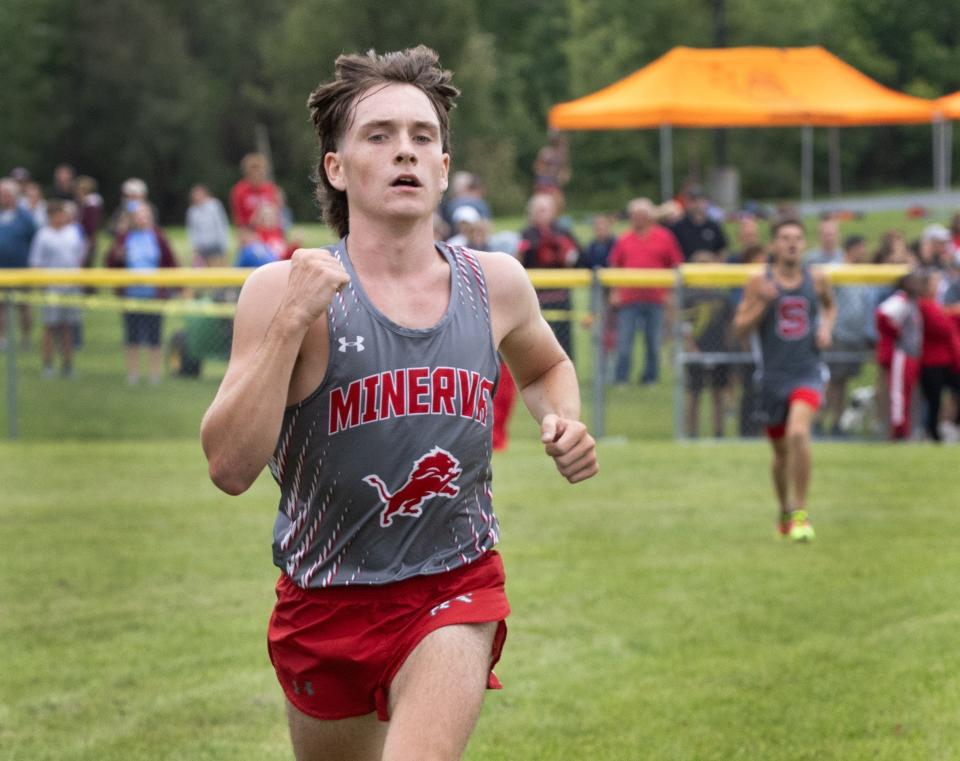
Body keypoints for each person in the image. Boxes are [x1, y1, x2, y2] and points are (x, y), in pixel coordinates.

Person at [199, 46, 598, 761]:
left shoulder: (497, 283)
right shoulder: (281, 292)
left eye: (422, 137)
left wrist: (560, 417)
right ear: (336, 167)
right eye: (378, 135)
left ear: (444, 167)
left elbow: (545, 365)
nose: (404, 151)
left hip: (454, 579)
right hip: (324, 596)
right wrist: (291, 322)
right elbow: (229, 465)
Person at [734, 218, 836, 542]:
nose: (791, 243)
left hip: (807, 372)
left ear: (804, 244)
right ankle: (783, 510)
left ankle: (801, 512)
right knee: (780, 455)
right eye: (784, 238)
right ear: (774, 245)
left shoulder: (817, 279)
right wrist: (762, 302)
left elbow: (830, 308)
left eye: (796, 238)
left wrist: (825, 329)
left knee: (798, 433)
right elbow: (739, 328)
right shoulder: (758, 282)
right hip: (772, 378)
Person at [608, 197, 683, 385]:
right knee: (624, 342)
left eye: (641, 215)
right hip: (628, 298)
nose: (637, 219)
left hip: (656, 298)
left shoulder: (664, 237)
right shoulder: (624, 238)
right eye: (634, 215)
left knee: (653, 342)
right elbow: (614, 266)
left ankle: (650, 378)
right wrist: (615, 291)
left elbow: (675, 265)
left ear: (649, 217)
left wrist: (670, 293)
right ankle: (621, 378)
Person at [106, 202, 178, 385]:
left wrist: (175, 287)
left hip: (154, 294)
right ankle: (133, 373)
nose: (142, 218)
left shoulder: (158, 237)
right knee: (132, 336)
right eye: (138, 215)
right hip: (131, 294)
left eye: (145, 214)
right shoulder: (124, 237)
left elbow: (171, 262)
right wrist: (117, 256)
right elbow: (110, 262)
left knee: (155, 336)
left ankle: (154, 374)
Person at [819, 234, 877, 437]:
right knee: (834, 380)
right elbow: (825, 302)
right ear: (852, 248)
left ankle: (836, 422)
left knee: (842, 382)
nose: (864, 252)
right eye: (861, 248)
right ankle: (822, 421)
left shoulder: (861, 271)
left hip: (856, 336)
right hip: (839, 334)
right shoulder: (835, 269)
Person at [517, 192, 580, 359]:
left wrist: (567, 253)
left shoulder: (563, 232)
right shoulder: (527, 234)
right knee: (534, 339)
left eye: (544, 210)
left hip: (560, 294)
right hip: (536, 296)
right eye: (537, 210)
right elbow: (521, 261)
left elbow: (580, 258)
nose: (540, 214)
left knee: (563, 338)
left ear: (553, 211)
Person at [28, 200, 85, 377]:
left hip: (71, 287)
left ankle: (67, 365)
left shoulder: (73, 233)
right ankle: (48, 364)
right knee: (50, 327)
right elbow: (35, 263)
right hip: (51, 288)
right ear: (51, 216)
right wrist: (42, 285)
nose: (62, 217)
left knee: (68, 327)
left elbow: (79, 257)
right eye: (59, 214)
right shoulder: (43, 235)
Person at [682, 250, 734, 437]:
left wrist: (728, 348)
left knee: (718, 393)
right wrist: (691, 347)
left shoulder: (721, 296)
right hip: (696, 351)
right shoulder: (687, 296)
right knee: (694, 394)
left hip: (719, 350)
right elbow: (684, 325)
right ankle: (691, 433)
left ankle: (719, 432)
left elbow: (729, 325)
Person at [875, 271, 924, 441]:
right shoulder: (900, 299)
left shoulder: (912, 301)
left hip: (911, 353)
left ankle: (905, 428)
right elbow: (882, 315)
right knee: (898, 393)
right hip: (901, 353)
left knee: (907, 392)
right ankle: (897, 429)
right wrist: (896, 332)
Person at [917, 269, 960, 442]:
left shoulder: (936, 305)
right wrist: (952, 314)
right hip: (932, 360)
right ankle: (932, 432)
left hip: (947, 360)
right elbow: (942, 328)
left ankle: (945, 427)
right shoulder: (925, 305)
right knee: (933, 399)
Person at [0, 177, 38, 350]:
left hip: (22, 269)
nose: (3, 198)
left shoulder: (25, 217)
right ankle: (2, 339)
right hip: (2, 270)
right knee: (1, 307)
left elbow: (35, 240)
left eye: (6, 194)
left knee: (24, 306)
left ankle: (26, 338)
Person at [669, 185, 727, 261]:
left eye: (701, 200)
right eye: (694, 201)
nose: (698, 204)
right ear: (688, 203)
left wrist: (711, 259)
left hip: (710, 269)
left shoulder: (714, 226)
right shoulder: (678, 226)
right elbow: (671, 252)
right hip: (686, 270)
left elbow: (722, 250)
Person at [229, 152, 282, 228]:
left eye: (261, 174)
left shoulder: (271, 189)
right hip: (249, 229)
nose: (258, 177)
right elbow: (238, 217)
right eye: (254, 174)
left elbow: (277, 214)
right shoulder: (239, 191)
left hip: (269, 229)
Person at [186, 184, 231, 266]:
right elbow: (192, 231)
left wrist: (224, 244)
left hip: (216, 245)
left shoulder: (215, 206)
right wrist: (194, 249)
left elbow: (221, 225)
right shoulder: (192, 211)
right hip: (202, 248)